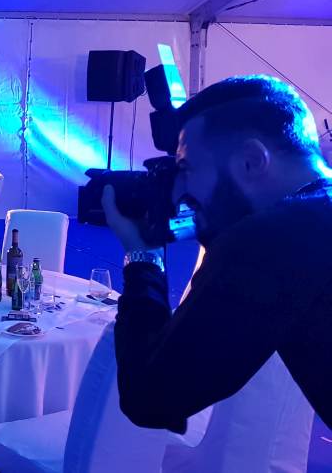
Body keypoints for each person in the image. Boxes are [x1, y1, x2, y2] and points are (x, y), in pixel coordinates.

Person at [101, 75, 332, 433]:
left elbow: (150, 396)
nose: (180, 192)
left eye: (187, 168)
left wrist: (143, 256)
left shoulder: (270, 239)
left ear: (252, 161)